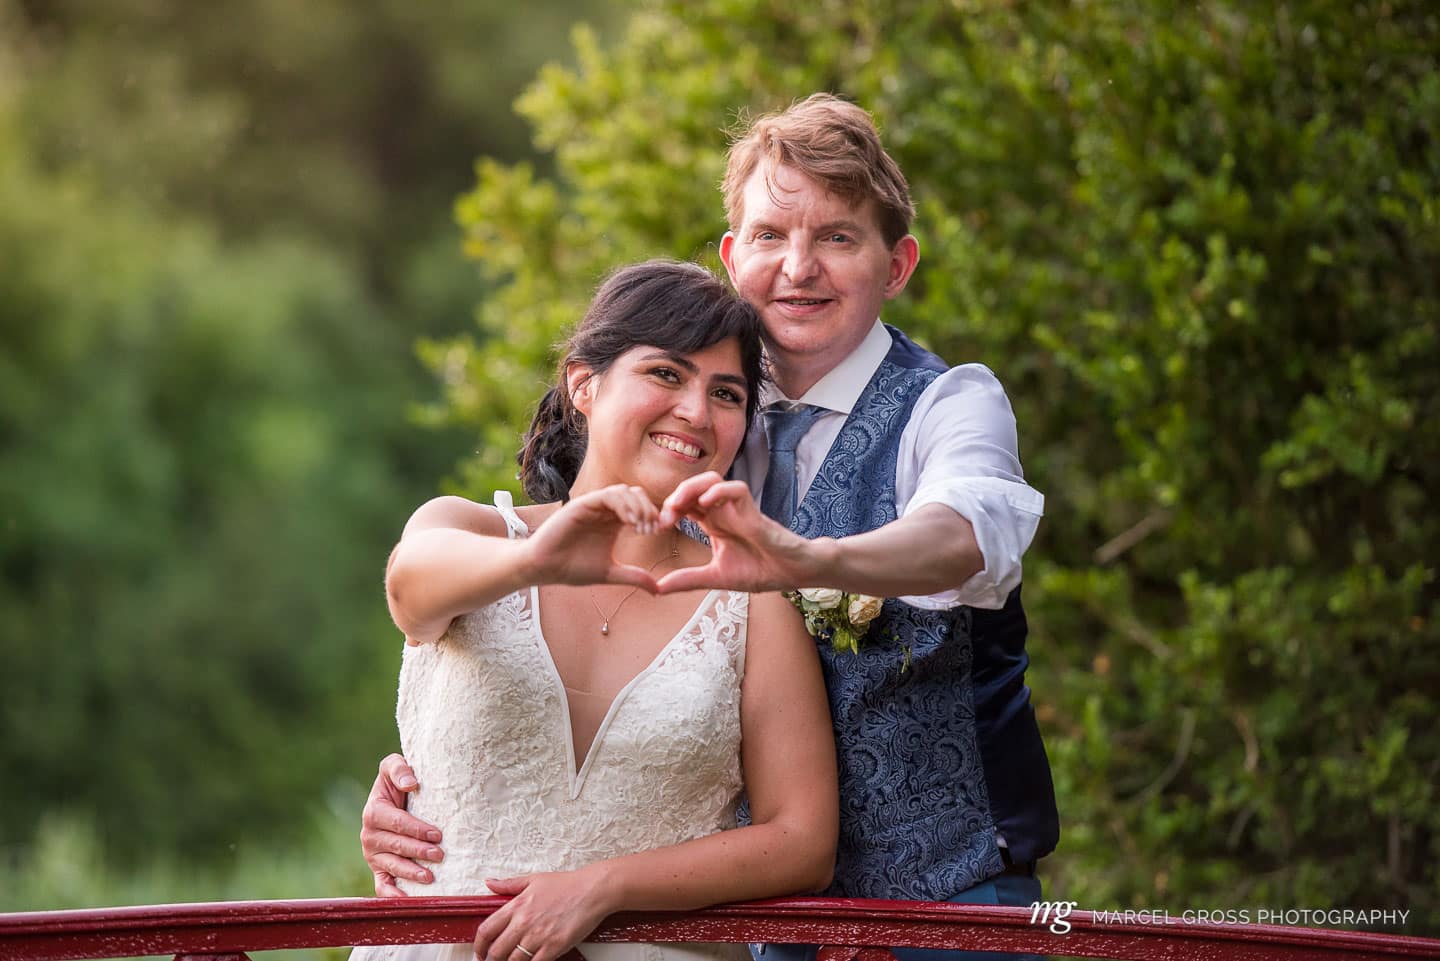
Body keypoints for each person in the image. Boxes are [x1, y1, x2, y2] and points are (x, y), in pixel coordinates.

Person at [362, 95, 1056, 960]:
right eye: (770, 235)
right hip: (754, 928)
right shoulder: (707, 422)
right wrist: (436, 773)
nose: (798, 266)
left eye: (837, 237)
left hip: (947, 901)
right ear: (734, 257)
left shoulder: (948, 404)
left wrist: (809, 558)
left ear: (897, 264)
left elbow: (964, 536)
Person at [352, 259, 838, 961]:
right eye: (666, 374)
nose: (696, 412)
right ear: (584, 383)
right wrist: (536, 560)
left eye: (725, 393)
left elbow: (802, 842)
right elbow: (408, 590)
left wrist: (603, 887)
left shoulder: (754, 608)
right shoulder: (470, 531)